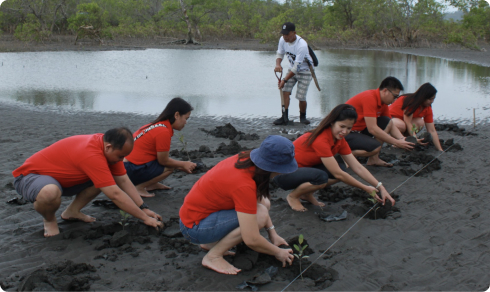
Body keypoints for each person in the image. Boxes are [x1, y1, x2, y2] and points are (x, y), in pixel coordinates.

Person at [12, 127, 164, 237]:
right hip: (30, 177)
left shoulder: (108, 149)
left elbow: (123, 181)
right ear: (109, 147)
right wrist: (145, 219)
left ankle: (72, 212)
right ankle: (49, 220)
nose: (122, 160)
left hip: (63, 181)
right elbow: (115, 194)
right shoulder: (92, 153)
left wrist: (144, 208)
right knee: (50, 193)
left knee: (104, 180)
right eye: (120, 156)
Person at [179, 135, 297, 275]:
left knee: (264, 202)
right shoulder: (243, 185)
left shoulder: (246, 159)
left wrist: (273, 234)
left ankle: (210, 244)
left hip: (198, 215)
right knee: (260, 215)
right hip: (194, 228)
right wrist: (278, 252)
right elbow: (251, 239)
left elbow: (258, 200)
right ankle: (213, 256)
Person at [273, 104, 395, 212]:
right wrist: (365, 188)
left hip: (303, 170)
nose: (345, 131)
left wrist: (380, 187)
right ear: (332, 122)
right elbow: (338, 174)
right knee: (324, 176)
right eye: (342, 126)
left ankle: (306, 194)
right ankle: (293, 196)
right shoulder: (321, 139)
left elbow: (357, 167)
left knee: (341, 168)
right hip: (283, 175)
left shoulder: (339, 140)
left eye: (349, 128)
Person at [124, 97, 196, 198]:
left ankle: (151, 184)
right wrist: (183, 164)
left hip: (124, 167)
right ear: (176, 115)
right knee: (169, 167)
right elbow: (163, 161)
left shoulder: (155, 125)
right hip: (129, 170)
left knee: (169, 163)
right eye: (186, 118)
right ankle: (139, 188)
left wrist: (181, 166)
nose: (186, 122)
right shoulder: (163, 131)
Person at [345, 76, 415, 167]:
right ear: (385, 91)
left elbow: (390, 125)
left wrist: (403, 140)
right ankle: (346, 155)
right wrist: (396, 142)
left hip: (359, 131)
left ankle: (374, 159)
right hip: (345, 133)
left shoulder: (383, 103)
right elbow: (372, 129)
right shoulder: (369, 98)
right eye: (394, 96)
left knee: (386, 121)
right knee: (375, 148)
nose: (394, 100)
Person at [273, 22, 314, 125]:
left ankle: (303, 117)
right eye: (283, 34)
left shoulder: (302, 45)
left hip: (305, 71)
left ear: (294, 33)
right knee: (285, 91)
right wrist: (278, 64)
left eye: (287, 34)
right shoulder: (282, 40)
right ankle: (284, 117)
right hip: (291, 69)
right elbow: (280, 53)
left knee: (301, 96)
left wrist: (284, 80)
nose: (285, 37)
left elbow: (297, 67)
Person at [389, 83, 443, 151]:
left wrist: (440, 149)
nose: (432, 101)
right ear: (423, 97)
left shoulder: (427, 108)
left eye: (433, 99)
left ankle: (406, 140)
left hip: (403, 121)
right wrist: (415, 138)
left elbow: (432, 130)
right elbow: (408, 122)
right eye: (430, 99)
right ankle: (398, 141)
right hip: (390, 119)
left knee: (420, 122)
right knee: (402, 125)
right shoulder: (411, 101)